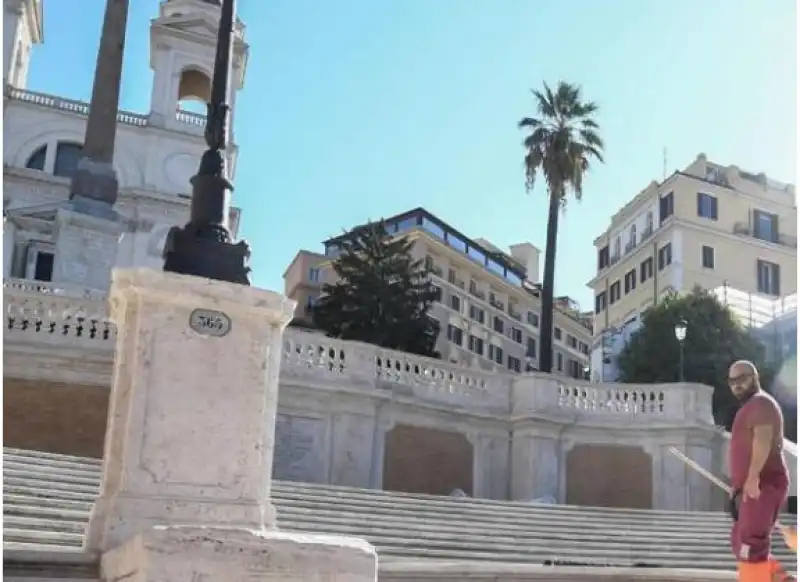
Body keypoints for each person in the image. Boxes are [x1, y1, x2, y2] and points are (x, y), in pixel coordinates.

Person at [727, 360, 793, 581]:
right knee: (740, 540)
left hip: (764, 483)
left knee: (750, 544)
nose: (736, 385)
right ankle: (781, 578)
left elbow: (762, 440)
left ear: (754, 377)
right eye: (732, 381)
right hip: (750, 487)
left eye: (742, 379)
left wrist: (753, 476)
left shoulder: (761, 403)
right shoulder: (750, 407)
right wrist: (737, 486)